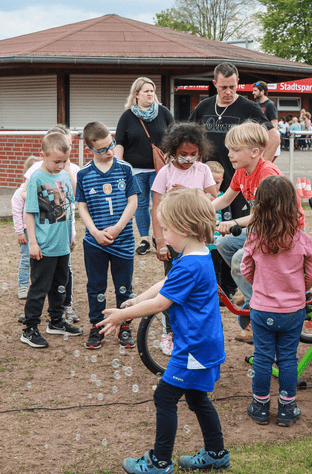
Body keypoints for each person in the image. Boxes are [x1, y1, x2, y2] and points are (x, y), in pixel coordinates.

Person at [98, 188, 229, 474]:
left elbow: (161, 302)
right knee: (196, 398)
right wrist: (136, 298)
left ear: (183, 228)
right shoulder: (200, 255)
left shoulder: (190, 264)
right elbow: (164, 285)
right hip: (204, 344)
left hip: (193, 348)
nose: (164, 235)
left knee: (165, 397)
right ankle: (216, 453)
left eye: (166, 228)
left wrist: (123, 314)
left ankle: (159, 462)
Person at [211, 122, 305, 343]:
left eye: (235, 150)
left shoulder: (267, 173)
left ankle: (259, 313)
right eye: (229, 149)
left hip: (283, 231)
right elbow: (225, 199)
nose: (229, 154)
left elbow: (263, 215)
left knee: (238, 260)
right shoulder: (241, 172)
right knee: (225, 244)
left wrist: (233, 222)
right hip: (264, 228)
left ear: (254, 152)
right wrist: (197, 210)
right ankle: (254, 286)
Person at [241, 176, 312, 426]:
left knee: (262, 358)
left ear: (260, 206)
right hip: (293, 310)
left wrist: (261, 286)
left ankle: (260, 406)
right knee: (287, 359)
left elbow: (245, 269)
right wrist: (299, 289)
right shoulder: (302, 239)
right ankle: (287, 407)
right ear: (291, 205)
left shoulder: (254, 238)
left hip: (262, 310)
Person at [151, 122, 217, 356]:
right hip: (173, 240)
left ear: (200, 152)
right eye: (183, 155)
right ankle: (169, 332)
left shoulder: (203, 171)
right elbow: (156, 208)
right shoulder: (165, 173)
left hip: (196, 242)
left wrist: (191, 193)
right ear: (172, 151)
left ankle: (187, 332)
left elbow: (214, 199)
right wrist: (160, 241)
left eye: (193, 155)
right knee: (171, 286)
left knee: (193, 290)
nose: (189, 159)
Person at [76, 122, 139, 350]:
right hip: (95, 243)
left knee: (124, 286)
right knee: (96, 286)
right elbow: (81, 206)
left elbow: (133, 201)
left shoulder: (125, 168)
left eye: (110, 145)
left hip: (123, 240)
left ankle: (124, 325)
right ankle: (97, 326)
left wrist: (118, 227)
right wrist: (94, 231)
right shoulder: (83, 174)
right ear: (90, 148)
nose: (109, 152)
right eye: (102, 150)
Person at [190, 62, 280, 219]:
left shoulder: (248, 107)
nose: (228, 92)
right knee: (208, 223)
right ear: (215, 84)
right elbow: (188, 135)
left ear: (238, 82)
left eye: (232, 86)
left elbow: (274, 137)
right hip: (211, 178)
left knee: (238, 225)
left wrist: (259, 168)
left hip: (238, 179)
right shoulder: (204, 106)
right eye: (223, 87)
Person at [20, 132, 82, 349]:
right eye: (56, 161)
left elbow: (69, 208)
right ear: (42, 156)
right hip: (44, 247)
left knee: (60, 286)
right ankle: (30, 328)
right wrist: (33, 243)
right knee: (39, 288)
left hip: (62, 245)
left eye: (65, 161)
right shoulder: (36, 178)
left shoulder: (64, 175)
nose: (60, 165)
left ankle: (56, 321)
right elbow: (29, 213)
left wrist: (71, 235)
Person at [115, 77, 174, 256]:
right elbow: (119, 143)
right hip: (136, 171)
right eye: (146, 91)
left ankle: (160, 237)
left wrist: (172, 156)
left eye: (152, 91)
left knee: (160, 205)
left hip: (160, 170)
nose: (150, 94)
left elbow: (175, 136)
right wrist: (119, 166)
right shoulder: (127, 116)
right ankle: (144, 240)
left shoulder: (163, 112)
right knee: (140, 205)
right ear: (137, 94)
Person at [205, 160, 237, 304]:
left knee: (217, 271)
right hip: (204, 243)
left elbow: (227, 218)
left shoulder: (224, 197)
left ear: (222, 181)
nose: (215, 186)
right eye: (211, 181)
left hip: (217, 243)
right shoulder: (200, 199)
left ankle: (219, 297)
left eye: (217, 182)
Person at [11, 156, 41, 300]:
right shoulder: (19, 193)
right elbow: (17, 213)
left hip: (41, 231)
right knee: (25, 260)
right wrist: (20, 232)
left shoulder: (42, 191)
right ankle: (23, 286)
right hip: (26, 232)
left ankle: (39, 286)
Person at [252, 81, 280, 159]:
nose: (253, 92)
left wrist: (271, 139)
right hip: (259, 139)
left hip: (267, 139)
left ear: (262, 91)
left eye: (255, 90)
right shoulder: (256, 105)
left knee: (266, 163)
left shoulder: (270, 105)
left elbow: (274, 122)